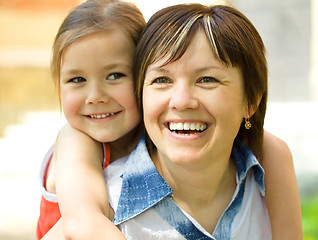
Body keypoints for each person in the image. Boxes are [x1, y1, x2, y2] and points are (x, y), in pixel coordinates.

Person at [41, 2, 302, 240]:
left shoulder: (265, 161)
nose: (96, 96)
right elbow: (82, 223)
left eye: (207, 79)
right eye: (162, 80)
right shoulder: (80, 150)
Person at [36, 0, 145, 239]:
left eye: (115, 75)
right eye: (77, 80)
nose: (95, 97)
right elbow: (83, 222)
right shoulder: (76, 140)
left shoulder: (155, 136)